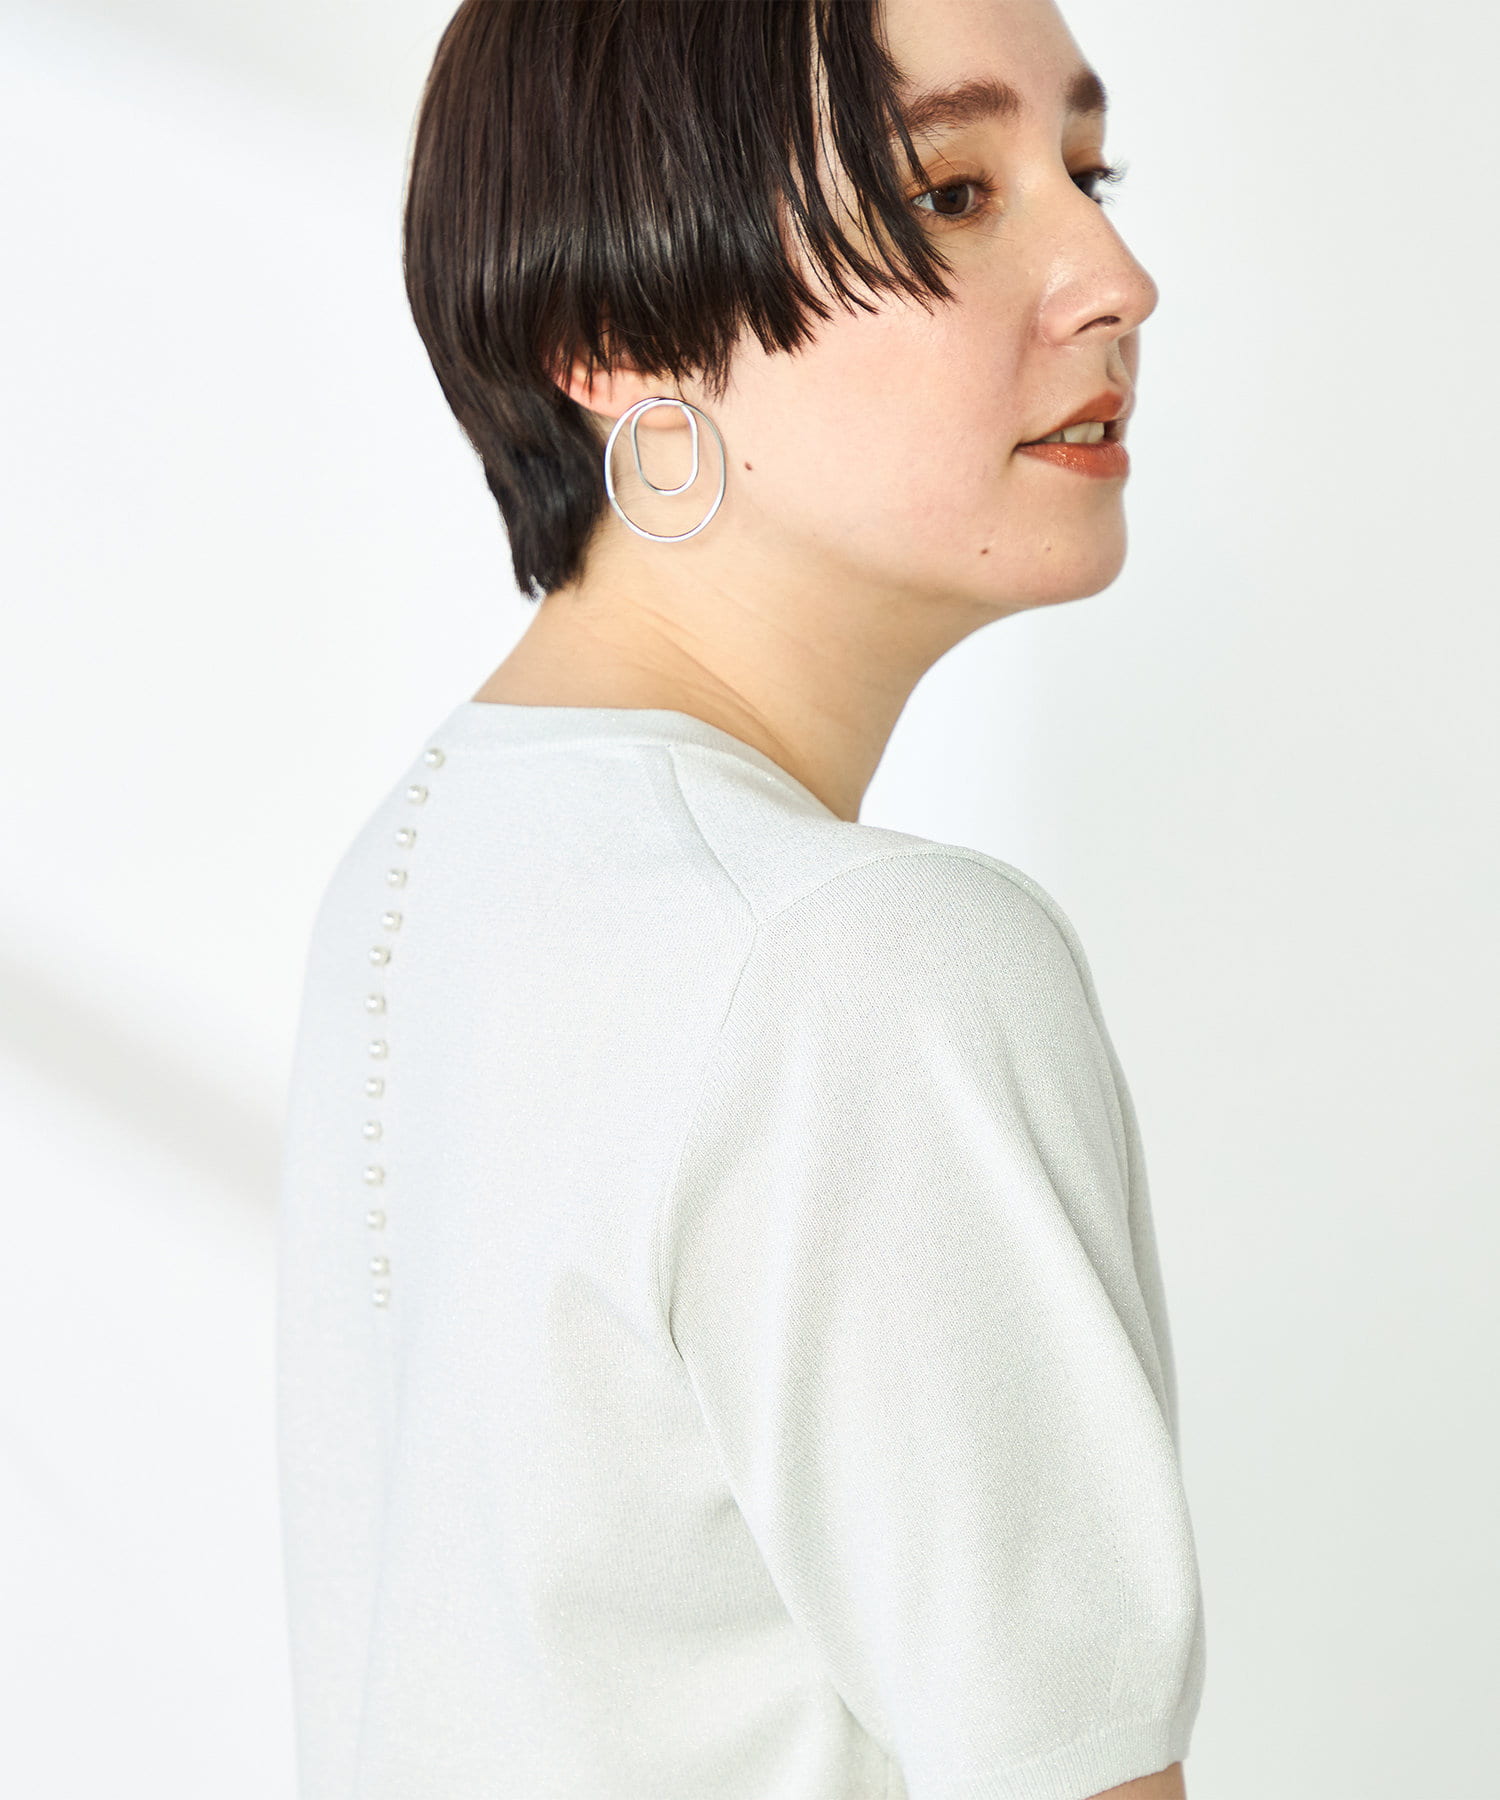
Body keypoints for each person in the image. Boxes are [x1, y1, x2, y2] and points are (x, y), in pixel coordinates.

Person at [275, 1, 1207, 1796]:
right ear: (616, 329)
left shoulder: (423, 864)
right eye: (951, 192)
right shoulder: (859, 965)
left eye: (1088, 173)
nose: (1117, 277)